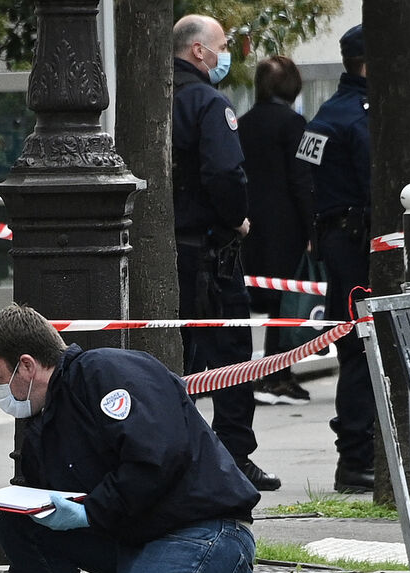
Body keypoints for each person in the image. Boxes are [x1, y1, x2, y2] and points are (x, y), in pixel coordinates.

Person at [0, 303, 310, 573]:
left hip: (204, 533)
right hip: (142, 542)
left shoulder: (109, 374)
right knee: (19, 524)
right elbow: (38, 559)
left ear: (26, 366)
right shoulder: (45, 426)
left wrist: (91, 511)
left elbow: (155, 458)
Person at [171, 14, 280, 491]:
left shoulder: (153, 101)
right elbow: (225, 172)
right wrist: (238, 218)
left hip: (168, 249)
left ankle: (180, 455)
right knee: (232, 356)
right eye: (221, 46)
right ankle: (234, 456)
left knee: (179, 357)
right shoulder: (208, 102)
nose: (226, 55)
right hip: (210, 253)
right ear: (199, 51)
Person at [296, 24, 375, 494]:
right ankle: (359, 457)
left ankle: (357, 454)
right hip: (359, 246)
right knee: (365, 351)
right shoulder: (362, 118)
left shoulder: (326, 114)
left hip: (337, 243)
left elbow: (306, 182)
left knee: (356, 351)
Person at [237, 55, 314, 407]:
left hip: (252, 223)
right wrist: (312, 224)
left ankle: (263, 372)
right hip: (287, 225)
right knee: (286, 299)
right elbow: (302, 179)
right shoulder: (294, 124)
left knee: (264, 298)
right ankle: (278, 372)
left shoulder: (244, 123)